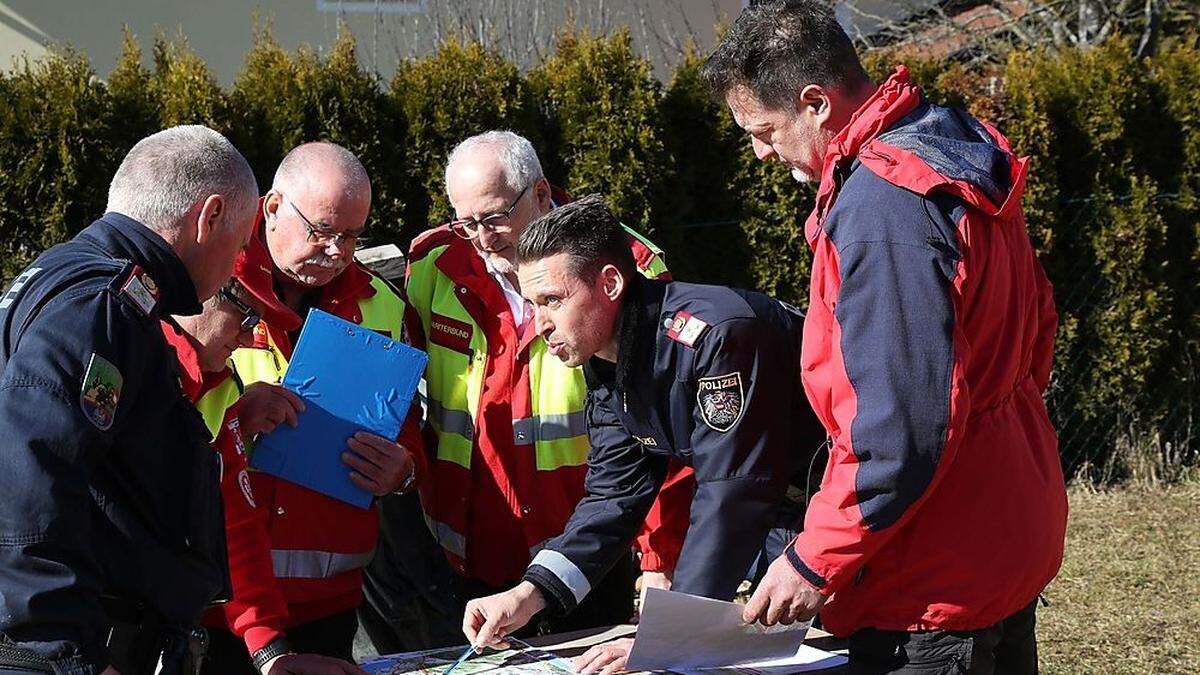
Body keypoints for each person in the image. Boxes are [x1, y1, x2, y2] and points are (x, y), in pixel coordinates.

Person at [700, 2, 1068, 673]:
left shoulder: (883, 207)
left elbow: (898, 428)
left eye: (763, 129)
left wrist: (815, 557)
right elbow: (1038, 321)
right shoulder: (949, 140)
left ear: (815, 102)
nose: (759, 150)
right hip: (1005, 520)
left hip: (930, 574)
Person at [462, 196, 825, 673]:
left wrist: (668, 639)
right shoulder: (606, 354)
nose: (540, 323)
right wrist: (531, 594)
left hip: (863, 518)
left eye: (552, 300)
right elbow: (613, 496)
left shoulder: (716, 335)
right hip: (795, 517)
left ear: (610, 282)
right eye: (532, 304)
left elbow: (732, 494)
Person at [374, 132, 692, 649]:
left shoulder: (621, 265)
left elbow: (664, 430)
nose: (483, 238)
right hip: (465, 554)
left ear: (542, 194)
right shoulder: (434, 267)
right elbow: (403, 393)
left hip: (587, 551)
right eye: (466, 221)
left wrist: (659, 558)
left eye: (495, 217)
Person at [0, 125, 258, 674]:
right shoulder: (98, 305)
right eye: (238, 244)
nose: (234, 266)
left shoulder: (68, 280)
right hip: (76, 650)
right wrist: (68, 654)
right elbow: (27, 477)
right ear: (208, 216)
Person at [203, 142, 422, 674]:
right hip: (219, 601)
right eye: (322, 231)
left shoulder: (385, 306)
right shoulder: (210, 292)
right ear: (272, 208)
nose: (337, 252)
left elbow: (409, 429)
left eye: (351, 236)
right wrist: (239, 421)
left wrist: (404, 472)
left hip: (331, 597)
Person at [161, 261, 365, 675]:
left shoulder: (217, 387)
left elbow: (236, 523)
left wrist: (269, 650)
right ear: (198, 293)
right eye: (244, 313)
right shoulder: (138, 362)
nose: (249, 333)